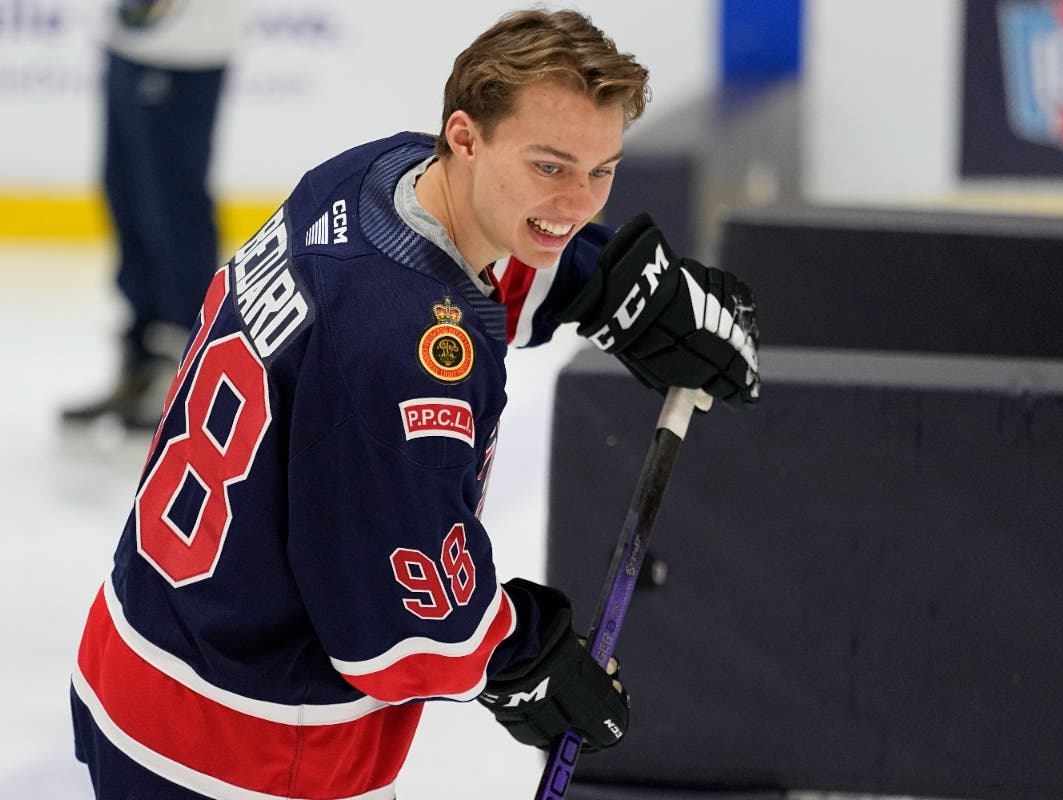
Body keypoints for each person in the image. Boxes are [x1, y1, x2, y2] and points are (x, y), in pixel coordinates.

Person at [69, 8, 760, 799]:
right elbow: (394, 630)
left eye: (600, 171)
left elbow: (470, 267)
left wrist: (616, 290)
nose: (577, 204)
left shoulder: (374, 175)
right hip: (241, 748)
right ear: (465, 137)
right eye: (549, 167)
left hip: (143, 648)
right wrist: (524, 660)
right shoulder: (403, 356)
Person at [61, 0, 247, 431]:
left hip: (187, 48)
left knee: (174, 208)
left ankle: (184, 361)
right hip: (129, 40)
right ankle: (141, 358)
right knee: (126, 196)